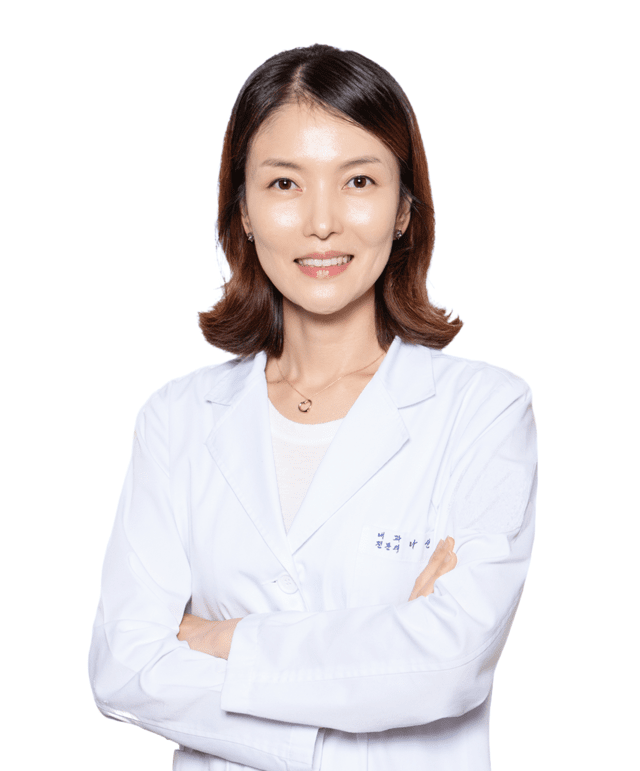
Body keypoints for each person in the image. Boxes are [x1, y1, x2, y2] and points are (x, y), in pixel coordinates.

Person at [89, 43, 537, 771]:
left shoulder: (483, 411)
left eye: (358, 180)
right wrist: (380, 653)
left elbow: (449, 664)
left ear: (404, 208)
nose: (322, 222)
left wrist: (217, 638)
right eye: (284, 183)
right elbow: (124, 669)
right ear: (243, 210)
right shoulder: (178, 419)